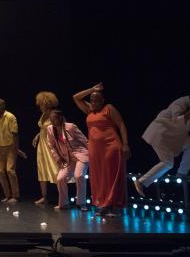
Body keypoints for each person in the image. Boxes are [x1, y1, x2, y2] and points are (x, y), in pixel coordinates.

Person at [134, 82, 190, 196]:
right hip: (161, 133)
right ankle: (141, 182)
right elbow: (176, 120)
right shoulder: (181, 102)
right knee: (168, 163)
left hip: (175, 136)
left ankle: (181, 174)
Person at [73, 83, 130, 217]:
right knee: (99, 176)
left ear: (102, 100)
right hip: (95, 148)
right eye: (92, 100)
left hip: (111, 145)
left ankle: (115, 206)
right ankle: (104, 204)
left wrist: (125, 144)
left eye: (97, 100)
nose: (94, 102)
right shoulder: (89, 110)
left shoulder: (108, 108)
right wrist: (92, 89)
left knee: (112, 175)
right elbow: (76, 97)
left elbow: (121, 124)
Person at [46, 110, 89, 211]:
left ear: (60, 118)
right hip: (68, 159)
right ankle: (64, 203)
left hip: (81, 155)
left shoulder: (70, 127)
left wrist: (94, 155)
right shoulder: (50, 129)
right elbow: (51, 146)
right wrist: (57, 158)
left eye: (54, 118)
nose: (52, 121)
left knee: (79, 176)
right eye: (51, 119)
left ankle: (82, 203)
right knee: (60, 179)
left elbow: (84, 140)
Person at [0, 99, 21, 203]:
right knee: (0, 172)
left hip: (11, 146)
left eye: (0, 106)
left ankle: (15, 195)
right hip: (0, 147)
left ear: (4, 106)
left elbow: (15, 134)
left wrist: (16, 149)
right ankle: (7, 195)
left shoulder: (10, 117)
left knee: (10, 170)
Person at [31, 91, 59, 205]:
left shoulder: (54, 114)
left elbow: (59, 128)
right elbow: (43, 128)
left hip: (50, 145)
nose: (40, 106)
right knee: (41, 170)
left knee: (55, 169)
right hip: (41, 146)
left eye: (41, 104)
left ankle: (62, 198)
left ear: (47, 103)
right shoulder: (43, 114)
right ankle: (44, 197)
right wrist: (37, 135)